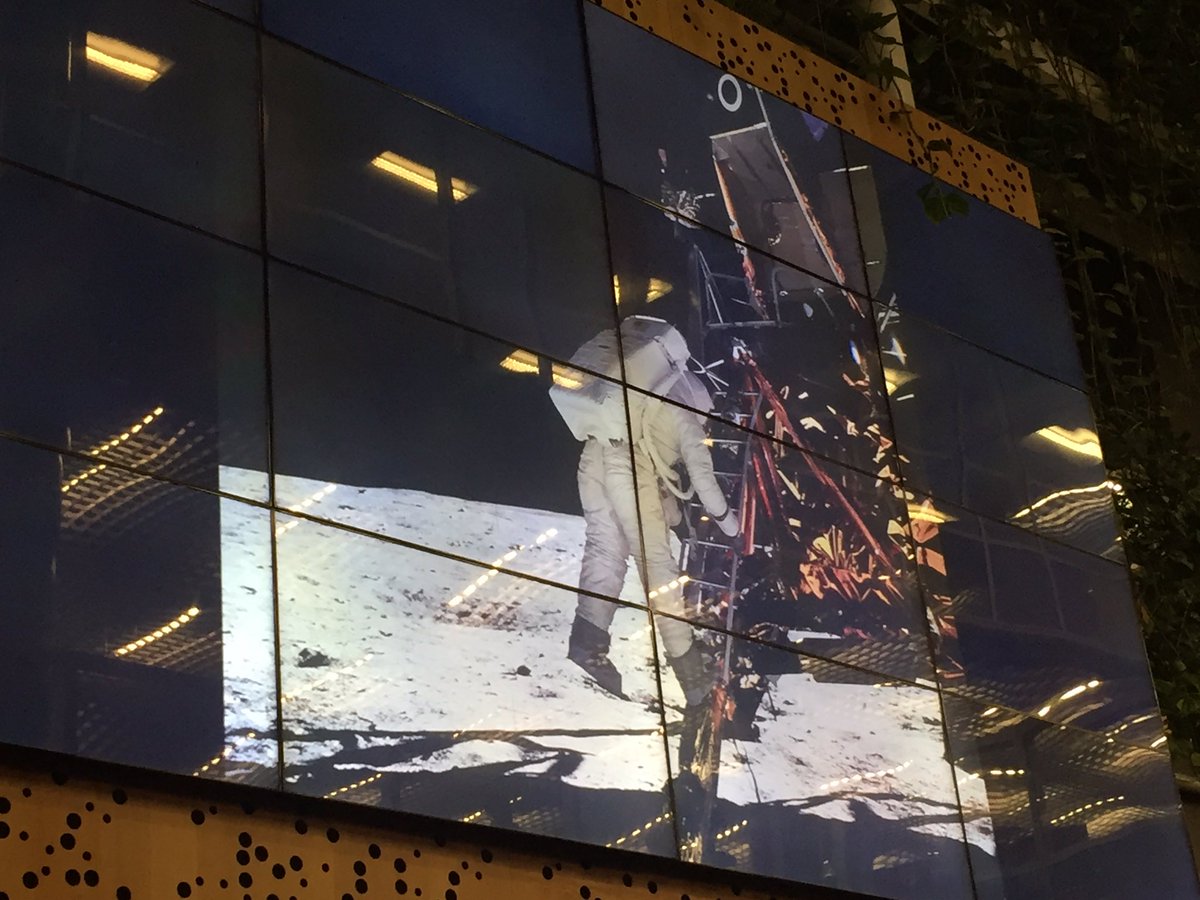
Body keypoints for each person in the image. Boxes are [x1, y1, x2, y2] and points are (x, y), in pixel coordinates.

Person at [557, 319, 739, 708]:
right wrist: (730, 525)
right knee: (657, 567)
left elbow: (665, 493)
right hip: (628, 470)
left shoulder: (647, 397)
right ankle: (691, 674)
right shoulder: (686, 416)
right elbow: (703, 482)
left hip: (593, 458)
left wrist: (675, 516)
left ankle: (587, 643)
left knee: (604, 550)